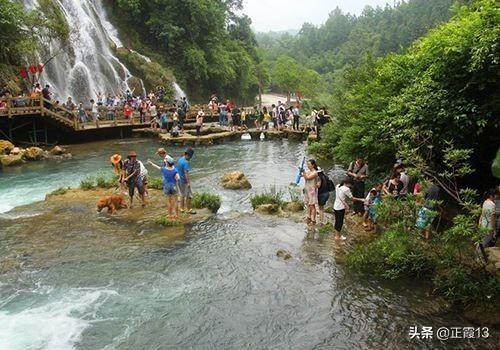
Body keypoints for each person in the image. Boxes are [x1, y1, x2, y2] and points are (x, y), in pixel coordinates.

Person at [177, 148, 195, 214]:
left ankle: (181, 208)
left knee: (182, 194)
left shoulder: (180, 159)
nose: (190, 158)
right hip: (184, 181)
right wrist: (188, 183)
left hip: (179, 180)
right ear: (189, 155)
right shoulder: (186, 162)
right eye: (191, 156)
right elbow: (186, 173)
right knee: (189, 196)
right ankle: (189, 209)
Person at [302, 159, 320, 224]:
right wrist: (301, 171)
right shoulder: (308, 171)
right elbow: (304, 175)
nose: (308, 166)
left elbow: (308, 178)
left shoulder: (315, 172)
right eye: (307, 164)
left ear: (313, 165)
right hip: (307, 189)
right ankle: (309, 216)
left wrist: (303, 172)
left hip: (312, 190)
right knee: (308, 204)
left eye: (309, 164)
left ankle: (313, 219)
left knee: (312, 205)